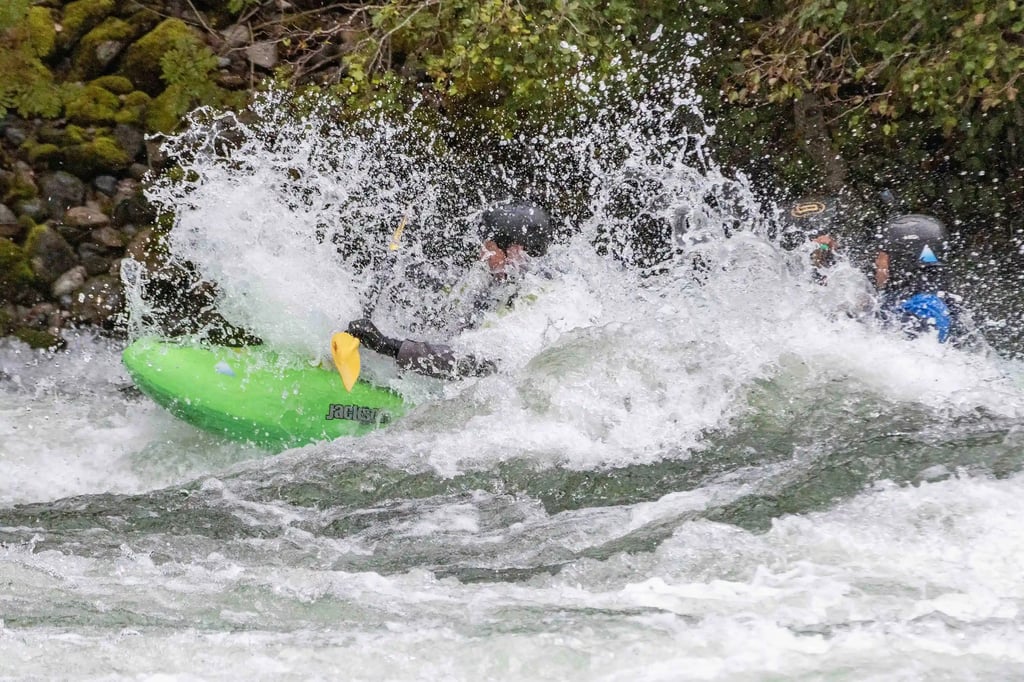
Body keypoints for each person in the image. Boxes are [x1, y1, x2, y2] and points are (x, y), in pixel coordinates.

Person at [345, 199, 556, 379]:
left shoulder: (538, 301)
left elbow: (476, 362)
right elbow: (448, 328)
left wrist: (389, 346)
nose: (481, 256)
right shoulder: (499, 285)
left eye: (489, 249)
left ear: (517, 250)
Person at [872, 213, 962, 343]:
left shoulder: (923, 307)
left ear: (900, 260)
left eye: (881, 257)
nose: (876, 264)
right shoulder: (935, 298)